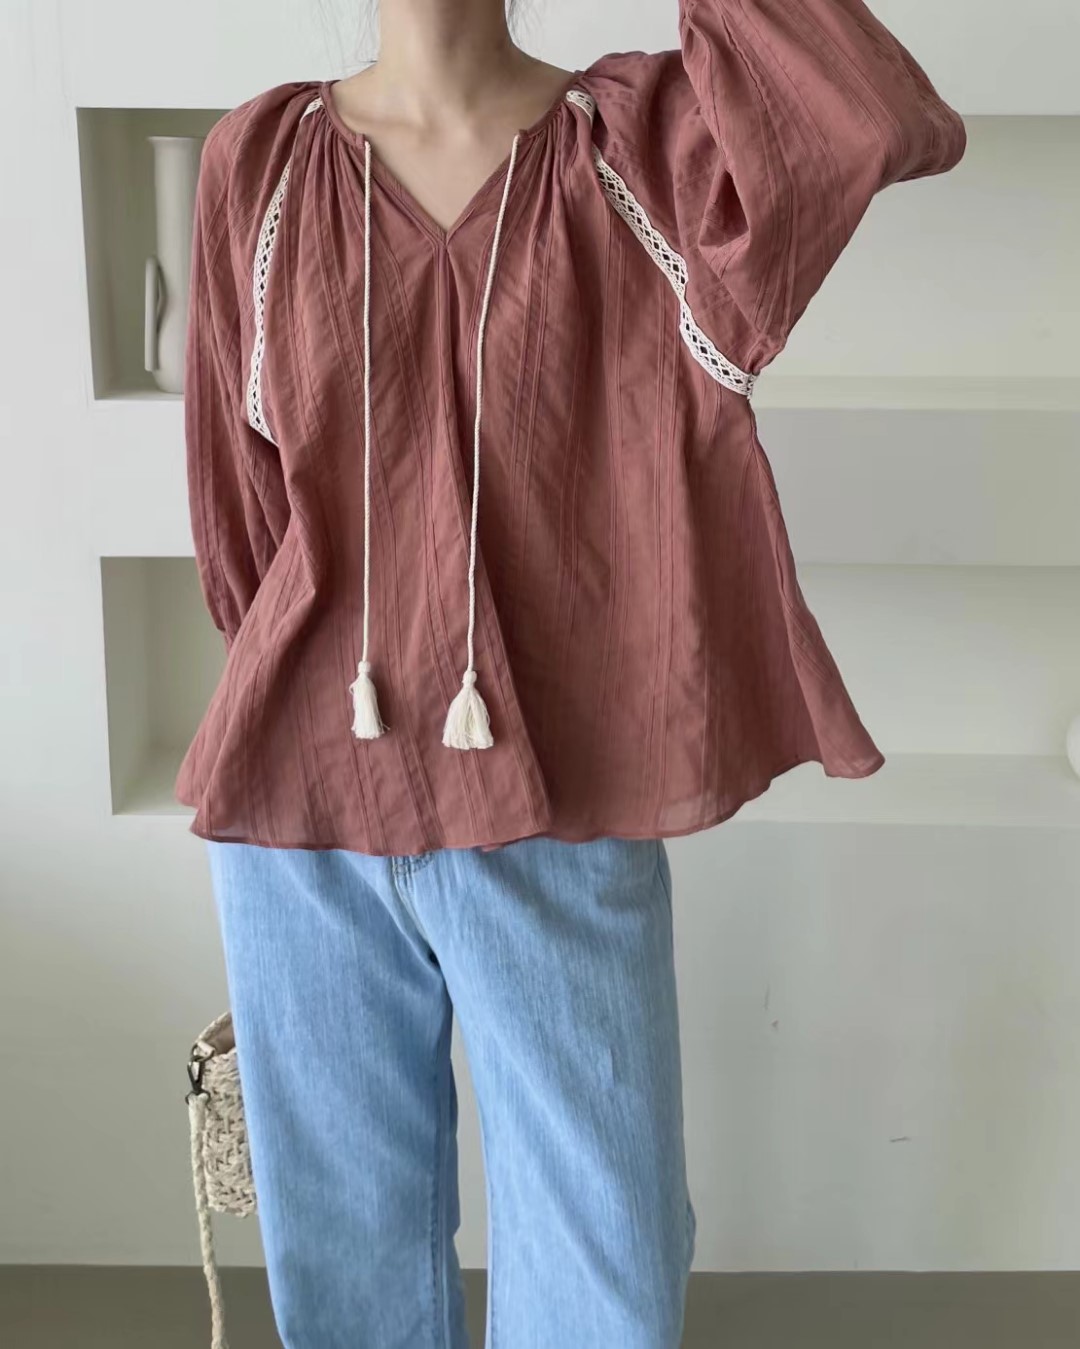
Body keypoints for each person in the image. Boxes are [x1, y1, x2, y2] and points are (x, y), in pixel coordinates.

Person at [179, 0, 965, 1344]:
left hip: (559, 797)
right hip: (306, 809)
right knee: (346, 1264)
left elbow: (869, 115)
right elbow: (239, 512)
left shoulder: (645, 151)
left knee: (608, 1266)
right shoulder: (262, 163)